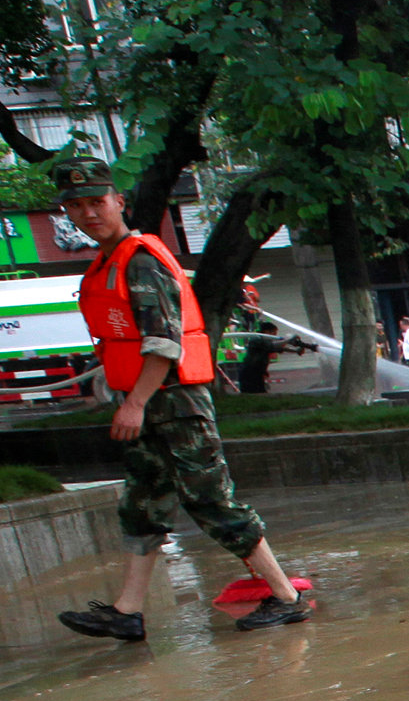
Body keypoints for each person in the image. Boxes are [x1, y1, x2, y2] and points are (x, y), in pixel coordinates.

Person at [46, 155, 312, 639]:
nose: (87, 213)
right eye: (76, 205)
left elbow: (165, 342)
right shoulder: (109, 261)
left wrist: (134, 402)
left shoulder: (139, 259)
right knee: (144, 504)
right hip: (148, 403)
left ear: (118, 202)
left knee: (212, 500)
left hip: (173, 402)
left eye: (97, 201)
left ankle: (286, 596)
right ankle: (127, 611)